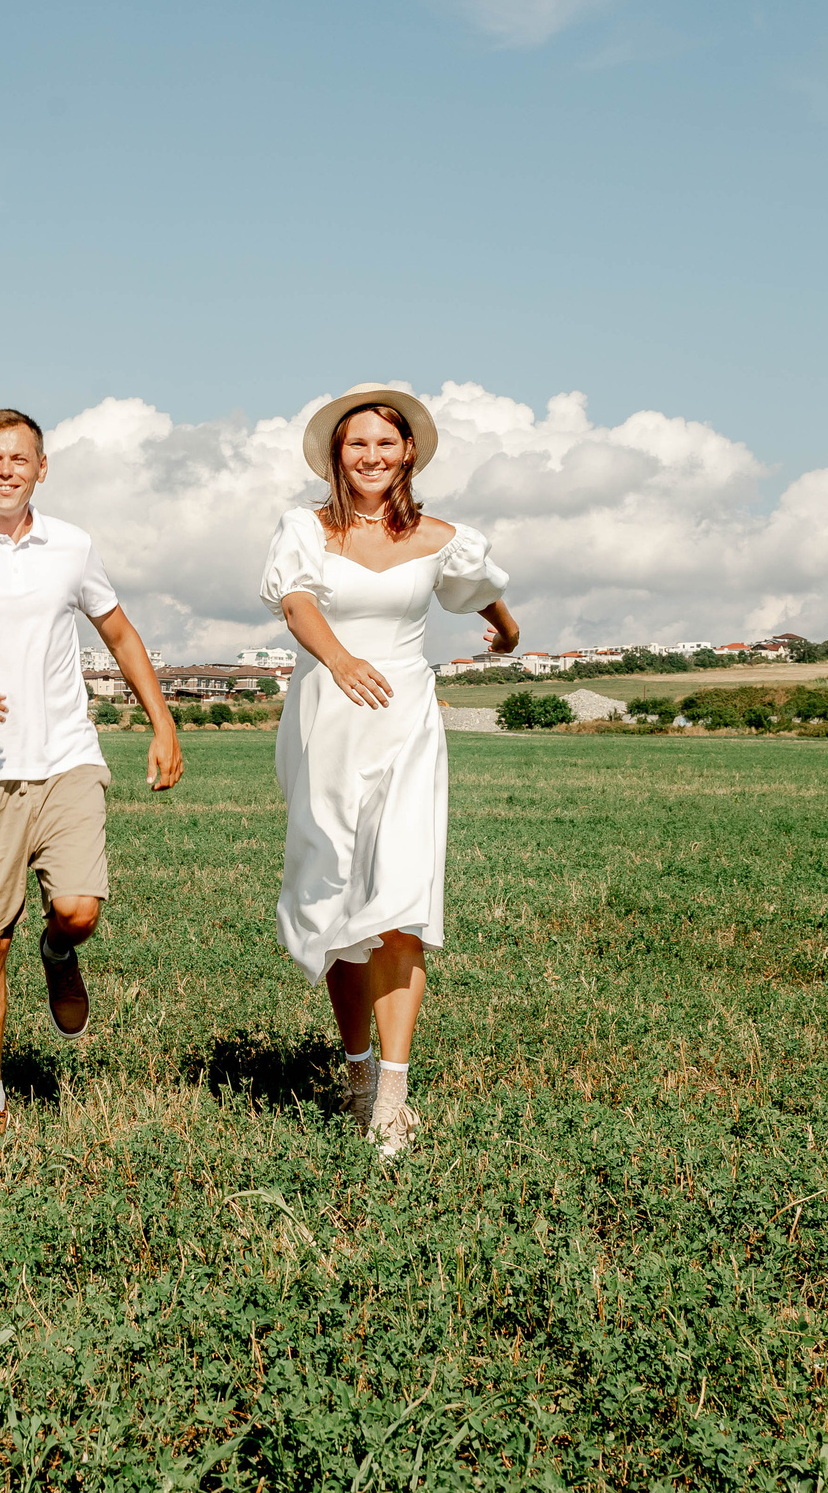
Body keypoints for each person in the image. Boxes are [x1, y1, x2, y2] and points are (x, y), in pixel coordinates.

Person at [0, 407, 185, 1157]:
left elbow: (118, 632)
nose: (6, 470)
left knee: (79, 908)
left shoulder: (73, 547)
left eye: (20, 458)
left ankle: (59, 951)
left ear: (42, 468)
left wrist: (163, 723)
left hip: (66, 756)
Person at [260, 384, 518, 1158]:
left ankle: (395, 1100)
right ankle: (356, 1069)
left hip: (406, 722)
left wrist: (505, 632)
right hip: (326, 723)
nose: (370, 456)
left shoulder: (444, 538)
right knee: (338, 907)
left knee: (401, 903)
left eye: (385, 443)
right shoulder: (304, 529)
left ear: (409, 452)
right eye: (355, 444)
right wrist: (338, 660)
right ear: (337, 456)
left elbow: (486, 596)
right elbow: (297, 605)